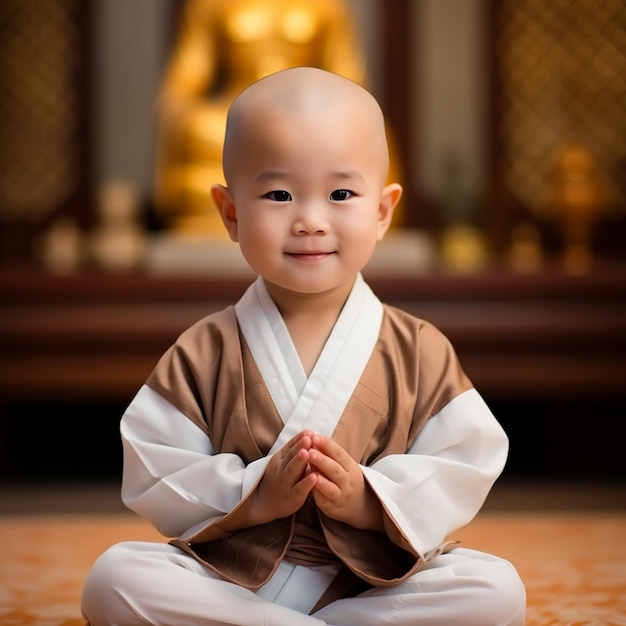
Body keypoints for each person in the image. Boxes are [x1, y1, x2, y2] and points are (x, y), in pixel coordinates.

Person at [81, 67, 526, 625]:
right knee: (114, 579)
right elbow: (155, 469)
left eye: (341, 193)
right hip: (230, 578)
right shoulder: (204, 350)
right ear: (231, 213)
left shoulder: (418, 349)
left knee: (495, 589)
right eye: (279, 194)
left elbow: (465, 460)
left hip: (371, 585)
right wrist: (256, 494)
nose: (311, 221)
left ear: (383, 211)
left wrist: (369, 499)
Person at [152, 0, 404, 237]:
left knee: (372, 132)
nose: (309, 226)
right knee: (200, 128)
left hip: (311, 117)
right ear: (230, 212)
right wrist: (179, 117)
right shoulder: (211, 3)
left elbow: (350, 83)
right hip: (238, 114)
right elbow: (186, 78)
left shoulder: (327, 5)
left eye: (339, 194)